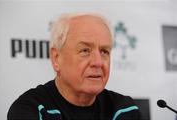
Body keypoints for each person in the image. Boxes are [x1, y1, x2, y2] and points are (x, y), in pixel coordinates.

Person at [8, 13, 141, 120]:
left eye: (104, 51)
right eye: (85, 51)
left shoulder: (124, 110)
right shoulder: (31, 109)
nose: (98, 62)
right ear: (56, 58)